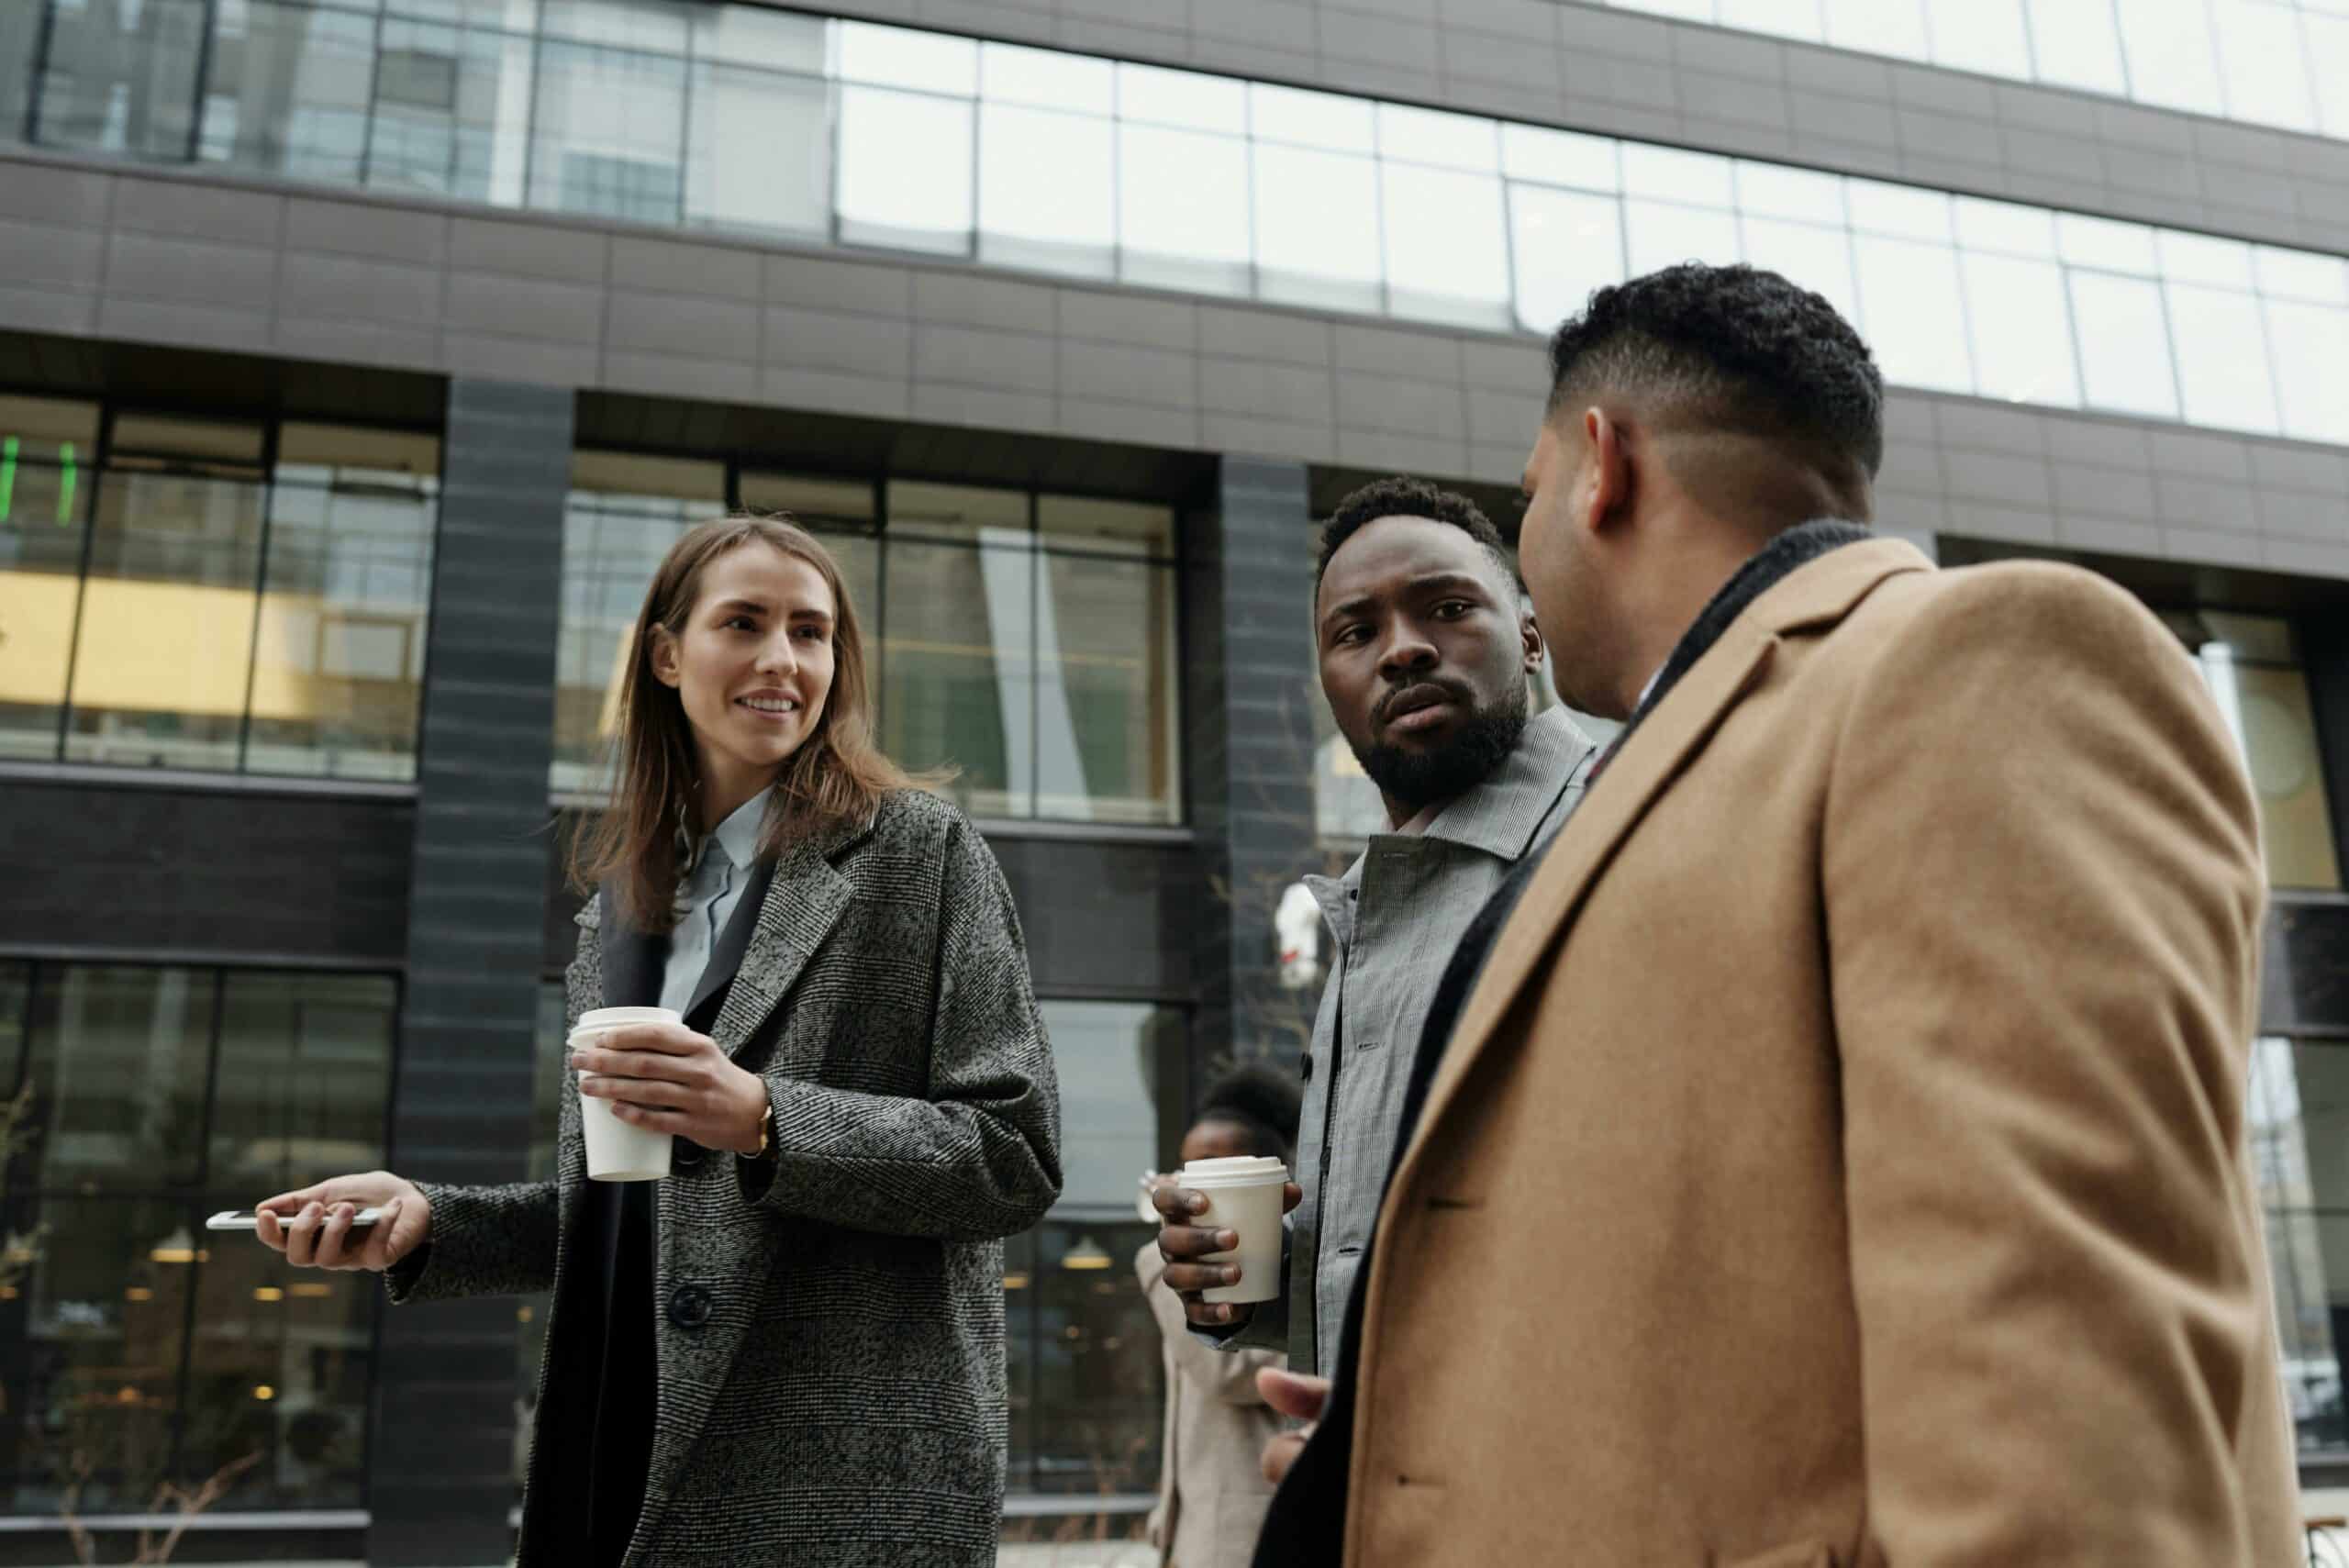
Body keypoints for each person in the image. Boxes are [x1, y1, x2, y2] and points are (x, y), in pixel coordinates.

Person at [1254, 262, 2303, 1565]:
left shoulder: (1978, 663)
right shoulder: (1682, 780)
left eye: (1524, 504)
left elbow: (2063, 1402)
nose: (1527, 553)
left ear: (1600, 467)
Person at [250, 515, 1063, 1568]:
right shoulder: (624, 908)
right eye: (745, 622)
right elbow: (647, 1213)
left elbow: (1014, 1154)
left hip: (830, 1488)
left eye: (811, 633)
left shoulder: (918, 852)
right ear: (668, 653)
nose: (782, 658)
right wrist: (429, 1224)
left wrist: (766, 1118)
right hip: (613, 1452)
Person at [1153, 476, 1596, 1381]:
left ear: (1529, 630)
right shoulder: (1369, 904)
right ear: (1328, 680)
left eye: (1446, 606)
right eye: (1355, 632)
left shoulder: (1619, 831)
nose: (1402, 650)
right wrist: (1255, 1284)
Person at [1136, 1064, 1305, 1568]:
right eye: (1187, 1165)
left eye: (1212, 1163)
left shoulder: (1289, 1262)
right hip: (1190, 1525)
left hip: (1246, 1529)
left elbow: (1225, 1372)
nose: (1192, 1180)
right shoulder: (1194, 1259)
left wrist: (1156, 1259)